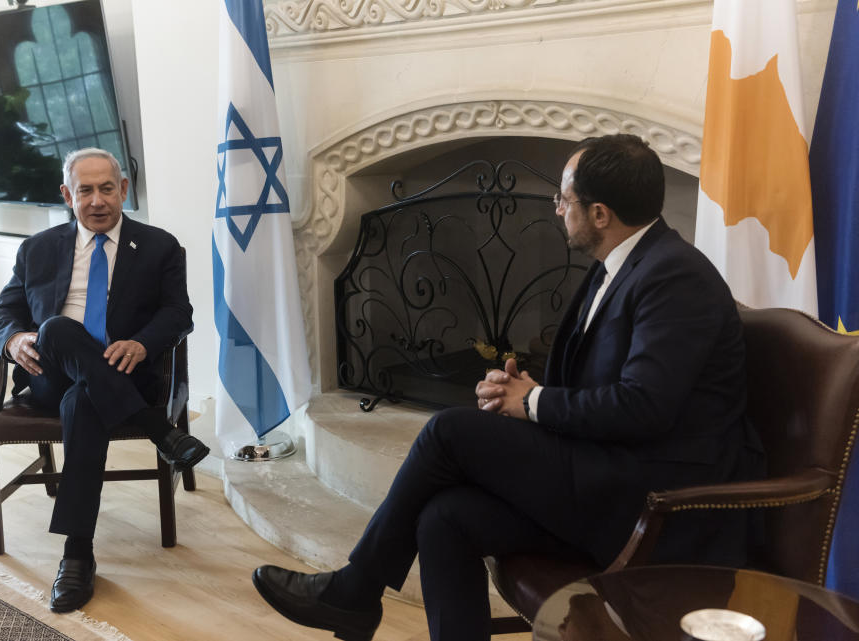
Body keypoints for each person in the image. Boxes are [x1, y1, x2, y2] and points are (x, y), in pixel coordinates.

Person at [251, 134, 764, 641]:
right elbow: (613, 383)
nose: (557, 209)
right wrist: (527, 392)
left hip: (654, 503)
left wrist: (535, 403)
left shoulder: (676, 278)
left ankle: (354, 591)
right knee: (443, 518)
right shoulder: (627, 264)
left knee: (448, 432)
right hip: (608, 470)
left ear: (601, 214)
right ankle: (354, 596)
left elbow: (644, 407)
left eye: (564, 199)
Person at [0, 148, 210, 613]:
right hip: (49, 375)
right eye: (85, 190)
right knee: (54, 329)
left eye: (107, 188)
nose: (97, 200)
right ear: (68, 195)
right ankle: (159, 431)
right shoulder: (38, 249)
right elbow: (0, 314)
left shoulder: (158, 245)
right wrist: (11, 341)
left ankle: (76, 555)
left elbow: (178, 313)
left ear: (123, 189)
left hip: (124, 375)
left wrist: (144, 343)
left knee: (85, 402)